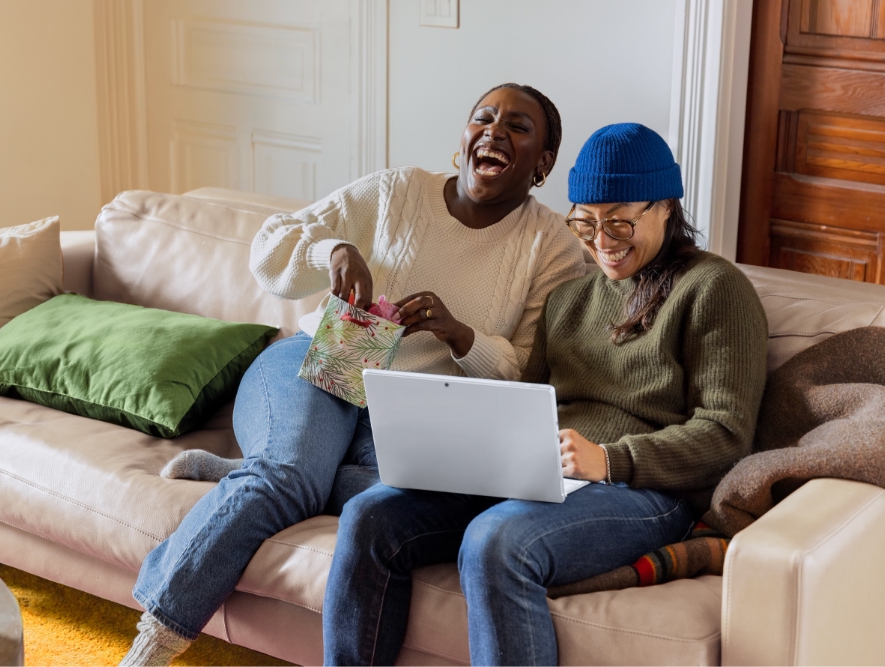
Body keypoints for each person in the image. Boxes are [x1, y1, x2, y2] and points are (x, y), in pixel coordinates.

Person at [118, 83, 585, 666]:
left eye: (518, 127)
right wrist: (334, 252)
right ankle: (155, 641)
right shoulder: (397, 192)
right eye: (483, 119)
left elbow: (527, 371)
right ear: (462, 140)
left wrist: (459, 334)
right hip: (320, 359)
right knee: (289, 474)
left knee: (395, 501)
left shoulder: (554, 250)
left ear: (542, 164)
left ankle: (251, 471)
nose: (494, 131)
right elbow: (271, 248)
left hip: (416, 408)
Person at [322, 123, 769, 666]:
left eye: (621, 221)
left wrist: (610, 460)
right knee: (371, 514)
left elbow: (726, 433)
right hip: (543, 473)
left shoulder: (715, 288)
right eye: (586, 222)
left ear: (666, 207)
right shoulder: (569, 299)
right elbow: (525, 403)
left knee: (496, 542)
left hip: (645, 490)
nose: (602, 242)